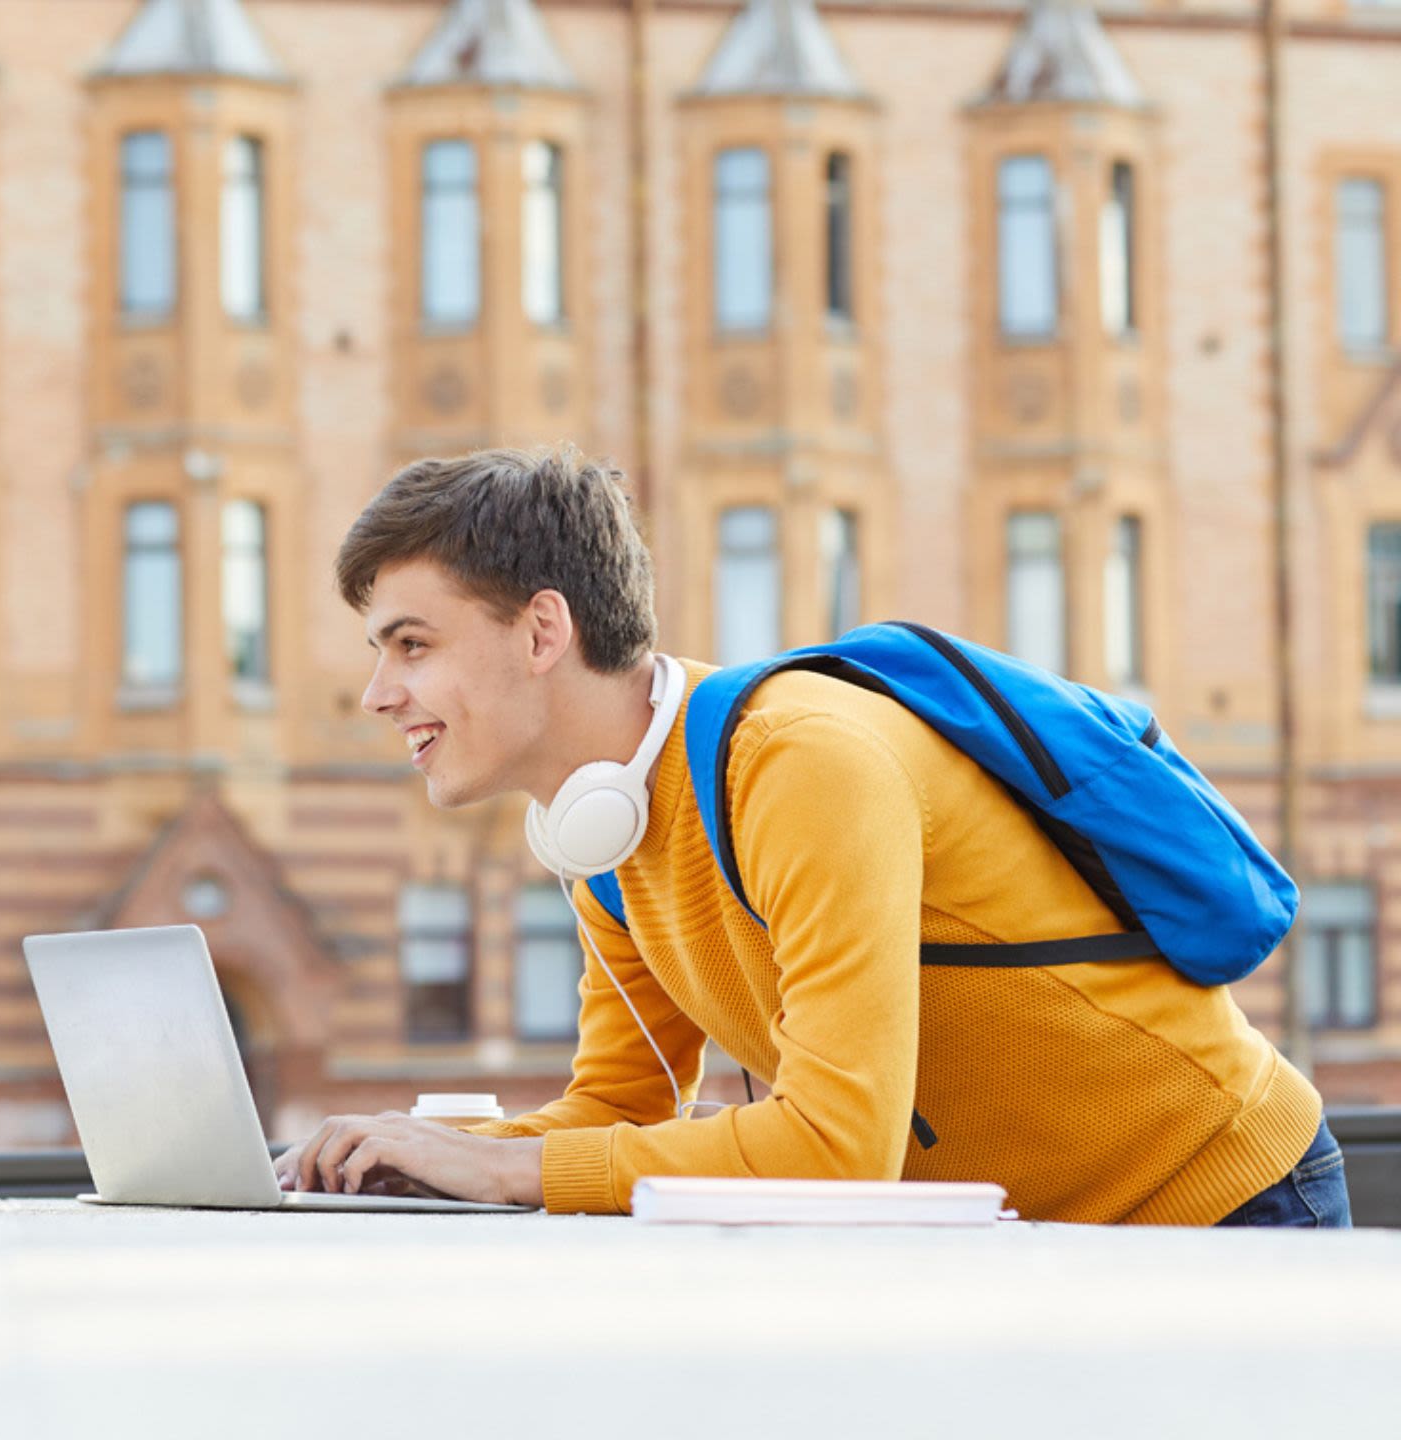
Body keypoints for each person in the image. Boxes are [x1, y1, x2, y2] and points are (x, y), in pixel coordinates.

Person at [277, 447, 1349, 1227]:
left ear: (543, 631)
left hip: (1220, 1200)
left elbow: (838, 1150)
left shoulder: (798, 764)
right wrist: (419, 1154)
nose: (378, 692)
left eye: (410, 645)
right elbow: (618, 1108)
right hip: (1039, 1237)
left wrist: (504, 1172)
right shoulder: (597, 828)